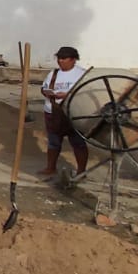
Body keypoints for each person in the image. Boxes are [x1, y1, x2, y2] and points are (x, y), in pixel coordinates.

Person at [37, 46, 89, 177]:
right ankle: (50, 167)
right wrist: (48, 93)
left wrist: (66, 96)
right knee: (53, 142)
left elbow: (86, 92)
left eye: (64, 58)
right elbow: (44, 88)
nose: (60, 61)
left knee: (78, 142)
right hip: (53, 113)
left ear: (73, 60)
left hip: (73, 113)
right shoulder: (53, 74)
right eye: (59, 58)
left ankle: (81, 171)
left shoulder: (82, 74)